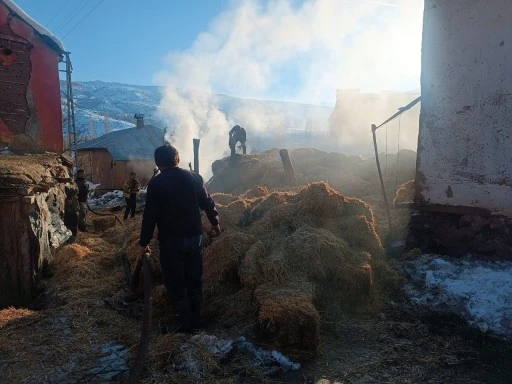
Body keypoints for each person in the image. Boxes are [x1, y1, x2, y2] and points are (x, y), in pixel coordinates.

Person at [139, 144, 221, 333]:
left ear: (157, 163)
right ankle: (197, 320)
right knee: (194, 279)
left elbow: (150, 216)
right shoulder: (194, 178)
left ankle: (185, 324)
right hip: (194, 238)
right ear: (177, 159)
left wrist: (143, 243)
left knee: (176, 282)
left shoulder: (156, 184)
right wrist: (215, 222)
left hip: (171, 241)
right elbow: (208, 202)